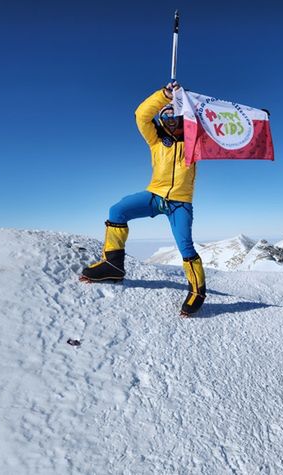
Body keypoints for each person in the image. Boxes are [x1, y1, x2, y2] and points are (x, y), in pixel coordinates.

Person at [81, 81, 206, 317]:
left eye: (174, 114)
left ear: (181, 117)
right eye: (165, 114)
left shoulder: (194, 142)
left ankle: (197, 291)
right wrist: (165, 95)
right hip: (155, 195)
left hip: (180, 203)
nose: (170, 118)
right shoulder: (156, 140)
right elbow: (141, 115)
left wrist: (250, 122)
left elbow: (217, 127)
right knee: (117, 211)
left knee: (185, 246)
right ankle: (113, 265)